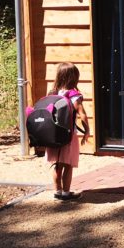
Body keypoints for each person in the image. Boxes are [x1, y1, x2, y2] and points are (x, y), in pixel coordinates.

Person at [46, 62, 89, 201]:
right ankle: (66, 192)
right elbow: (82, 113)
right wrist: (87, 131)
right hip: (69, 134)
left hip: (53, 134)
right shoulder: (74, 95)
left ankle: (57, 192)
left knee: (56, 163)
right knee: (68, 164)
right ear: (74, 77)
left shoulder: (51, 93)